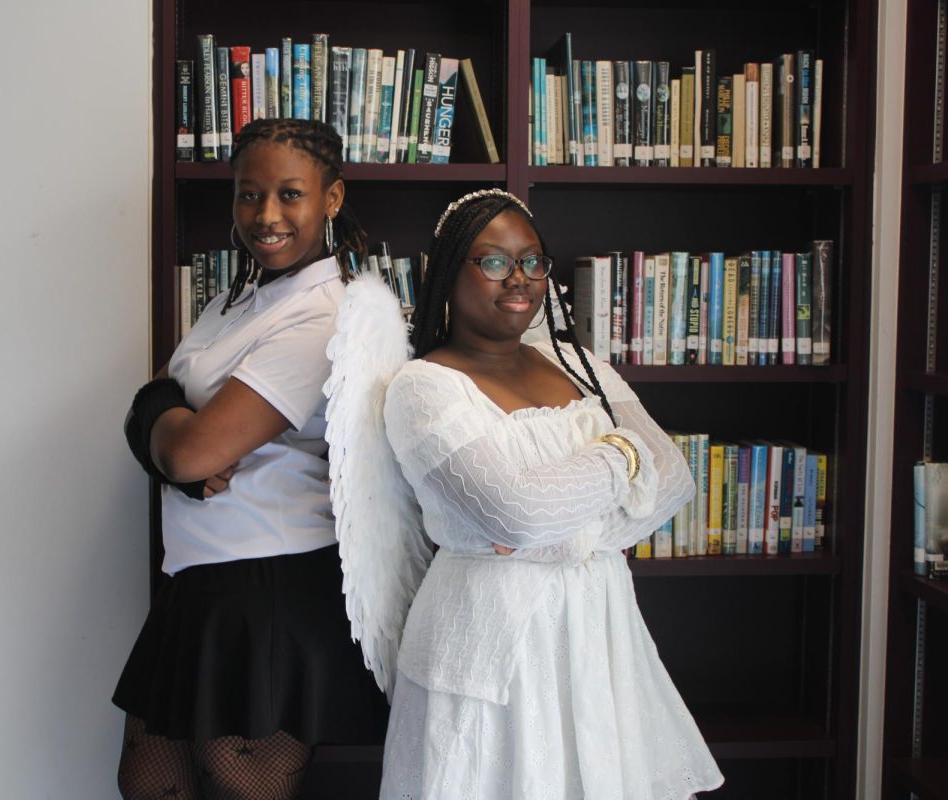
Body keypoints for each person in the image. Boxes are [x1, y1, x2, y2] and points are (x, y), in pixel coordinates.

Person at [325, 188, 724, 799]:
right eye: (494, 261)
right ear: (449, 269)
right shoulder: (423, 388)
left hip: (597, 636)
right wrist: (622, 454)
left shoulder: (577, 360)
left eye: (534, 261)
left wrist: (558, 530)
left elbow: (674, 478)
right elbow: (518, 513)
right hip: (490, 646)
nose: (520, 279)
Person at [113, 118, 390, 800]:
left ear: (331, 198)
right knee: (151, 784)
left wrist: (163, 431)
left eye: (289, 195)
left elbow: (193, 451)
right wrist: (158, 418)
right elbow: (167, 412)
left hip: (269, 583)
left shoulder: (323, 316)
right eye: (248, 195)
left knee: (243, 789)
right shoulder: (237, 301)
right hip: (202, 578)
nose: (264, 216)